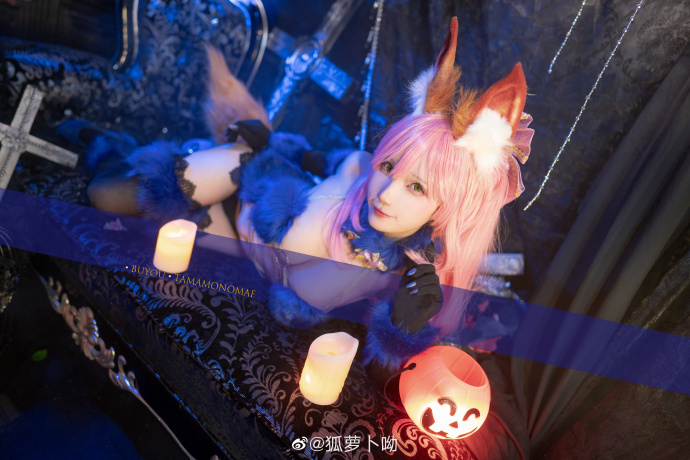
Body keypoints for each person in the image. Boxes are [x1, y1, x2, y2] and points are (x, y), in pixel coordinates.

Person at [82, 18, 533, 374]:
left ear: (445, 208)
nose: (386, 192)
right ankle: (110, 144)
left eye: (417, 187)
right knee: (105, 196)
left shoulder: (405, 279)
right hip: (246, 180)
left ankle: (114, 146)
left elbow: (391, 380)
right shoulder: (357, 166)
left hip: (238, 241)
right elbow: (306, 155)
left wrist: (402, 329)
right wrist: (260, 142)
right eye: (389, 167)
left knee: (129, 216)